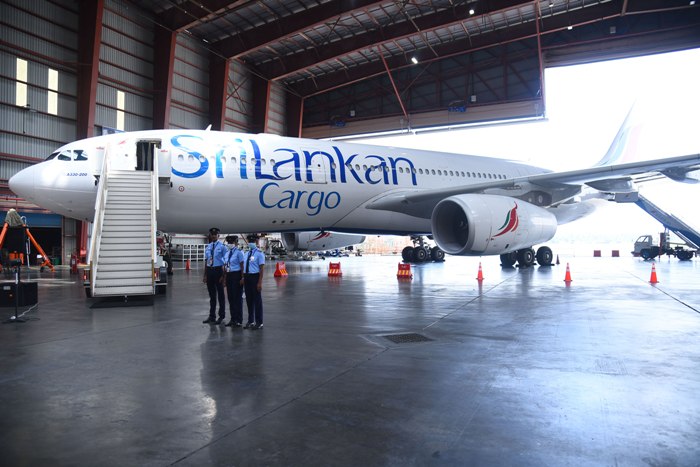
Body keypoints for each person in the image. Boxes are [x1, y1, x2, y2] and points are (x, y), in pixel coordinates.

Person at [203, 228, 227, 324]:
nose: (213, 236)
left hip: (218, 271)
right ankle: (212, 316)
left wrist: (224, 276)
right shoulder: (208, 247)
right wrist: (205, 275)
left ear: (218, 236)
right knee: (212, 295)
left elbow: (226, 262)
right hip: (210, 271)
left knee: (221, 295)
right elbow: (206, 261)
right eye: (212, 234)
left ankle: (221, 316)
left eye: (215, 234)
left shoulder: (223, 247)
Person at [242, 235, 265, 329]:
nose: (250, 243)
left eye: (252, 241)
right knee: (249, 300)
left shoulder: (259, 253)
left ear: (256, 242)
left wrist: (259, 282)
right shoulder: (246, 253)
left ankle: (259, 322)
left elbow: (261, 269)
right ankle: (251, 320)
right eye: (249, 241)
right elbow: (244, 267)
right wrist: (243, 277)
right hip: (247, 277)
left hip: (255, 277)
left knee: (257, 301)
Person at [223, 235, 244, 327]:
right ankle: (233, 319)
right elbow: (226, 266)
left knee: (237, 298)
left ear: (236, 243)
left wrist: (243, 277)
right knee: (231, 298)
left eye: (231, 242)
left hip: (237, 275)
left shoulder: (239, 253)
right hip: (229, 275)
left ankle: (239, 320)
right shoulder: (227, 253)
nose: (229, 244)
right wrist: (225, 279)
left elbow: (242, 266)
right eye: (228, 242)